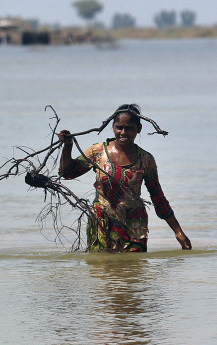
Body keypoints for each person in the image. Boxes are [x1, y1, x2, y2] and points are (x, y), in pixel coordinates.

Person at [58, 104, 191, 252]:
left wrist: (178, 232)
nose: (123, 132)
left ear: (139, 129)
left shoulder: (146, 160)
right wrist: (68, 146)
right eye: (119, 127)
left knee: (133, 270)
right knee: (101, 270)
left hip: (134, 225)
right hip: (102, 222)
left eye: (129, 128)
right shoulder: (98, 151)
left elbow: (158, 197)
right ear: (113, 127)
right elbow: (67, 173)